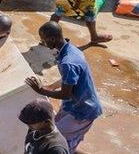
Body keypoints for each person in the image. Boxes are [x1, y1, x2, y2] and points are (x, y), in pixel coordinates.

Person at [25, 22, 103, 152]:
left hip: (83, 109)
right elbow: (69, 80)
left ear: (52, 39)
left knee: (60, 140)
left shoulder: (68, 62)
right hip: (74, 104)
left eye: (43, 40)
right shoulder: (72, 50)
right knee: (63, 135)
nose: (43, 43)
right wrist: (51, 87)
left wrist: (41, 90)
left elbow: (66, 94)